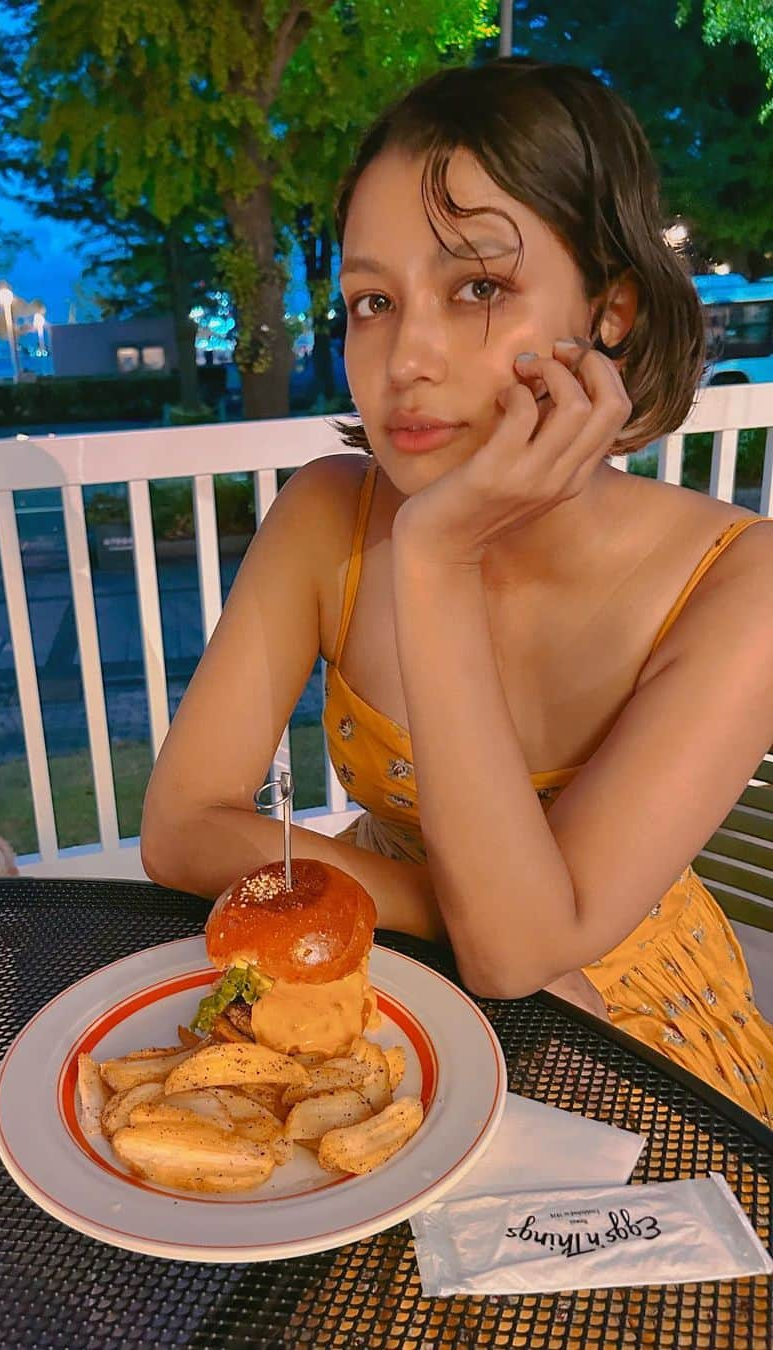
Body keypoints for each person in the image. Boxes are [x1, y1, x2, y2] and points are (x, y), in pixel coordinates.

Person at [139, 58, 773, 1121]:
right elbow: (181, 828)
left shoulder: (743, 586)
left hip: (618, 1030)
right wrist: (448, 905)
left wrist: (435, 558)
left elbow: (522, 956)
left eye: (478, 286)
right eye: (372, 301)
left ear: (611, 310)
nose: (407, 358)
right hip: (377, 982)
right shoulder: (326, 519)